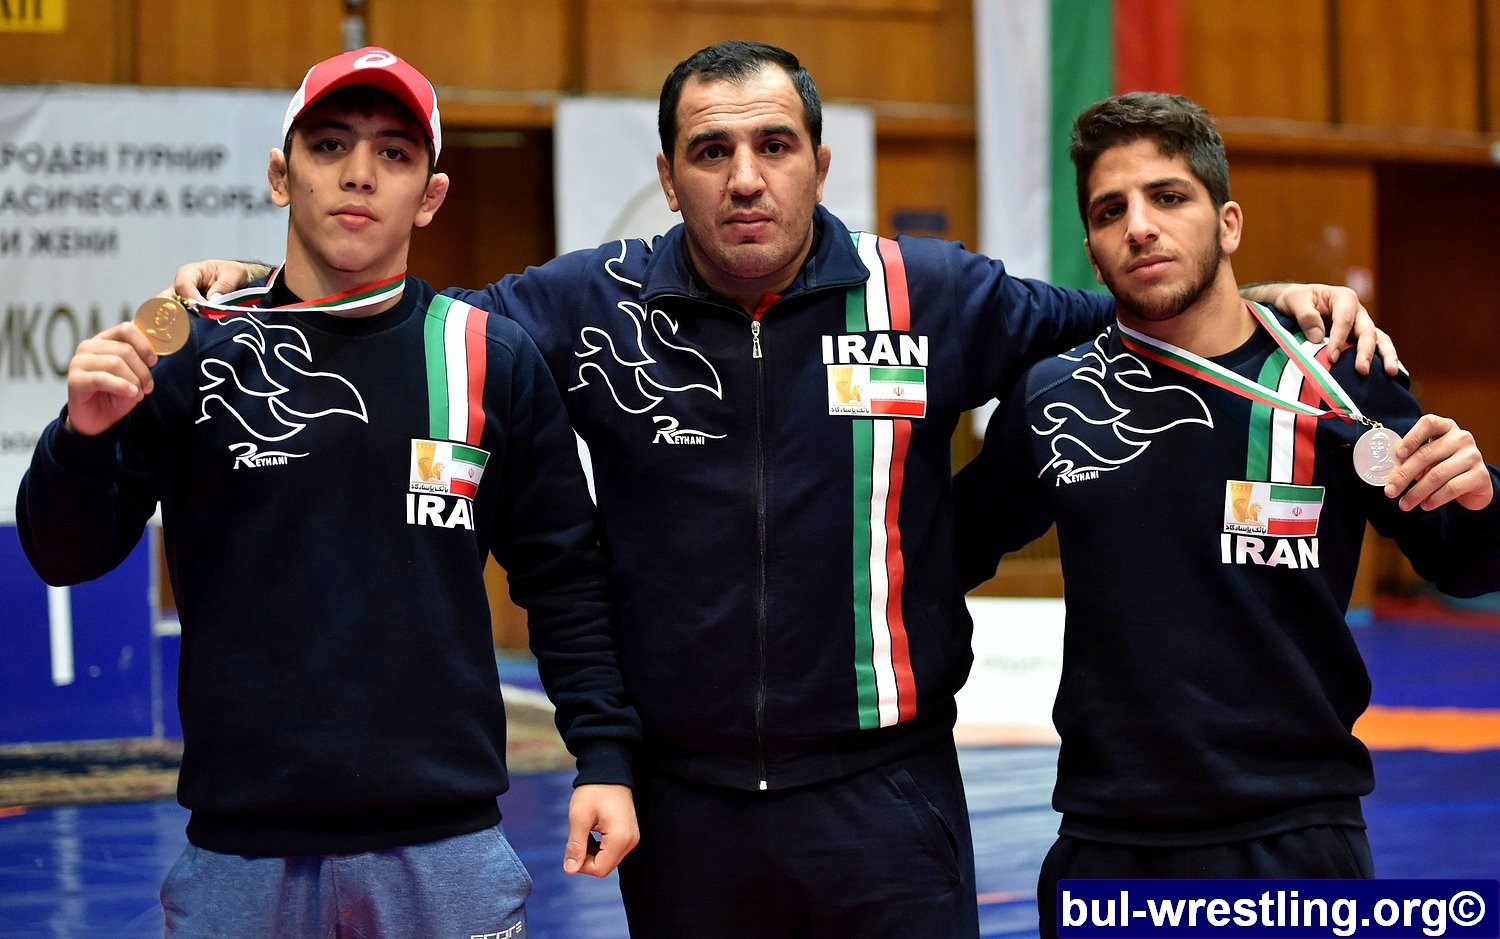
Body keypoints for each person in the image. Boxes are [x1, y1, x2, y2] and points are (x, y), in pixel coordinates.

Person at [173, 41, 1393, 938]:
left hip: (889, 798)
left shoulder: (935, 296)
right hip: (685, 810)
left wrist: (1267, 296)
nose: (744, 177)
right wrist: (272, 287)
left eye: (773, 147)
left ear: (820, 163)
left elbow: (1141, 312)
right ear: (670, 177)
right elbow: (402, 329)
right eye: (712, 152)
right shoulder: (589, 306)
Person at [17, 47, 640, 938]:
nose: (359, 173)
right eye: (330, 145)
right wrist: (80, 438)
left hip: (448, 850)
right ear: (282, 176)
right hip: (240, 859)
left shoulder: (486, 358)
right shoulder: (197, 352)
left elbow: (567, 581)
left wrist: (605, 757)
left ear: (430, 195)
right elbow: (63, 553)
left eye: (394, 153)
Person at [953, 91, 1500, 938]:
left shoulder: (1338, 377)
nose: (1140, 226)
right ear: (1092, 249)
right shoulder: (1056, 396)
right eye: (1110, 211)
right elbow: (938, 550)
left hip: (1297, 838)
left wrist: (1482, 492)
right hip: (1109, 843)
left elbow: (1463, 561)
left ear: (1229, 223)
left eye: (1168, 196)